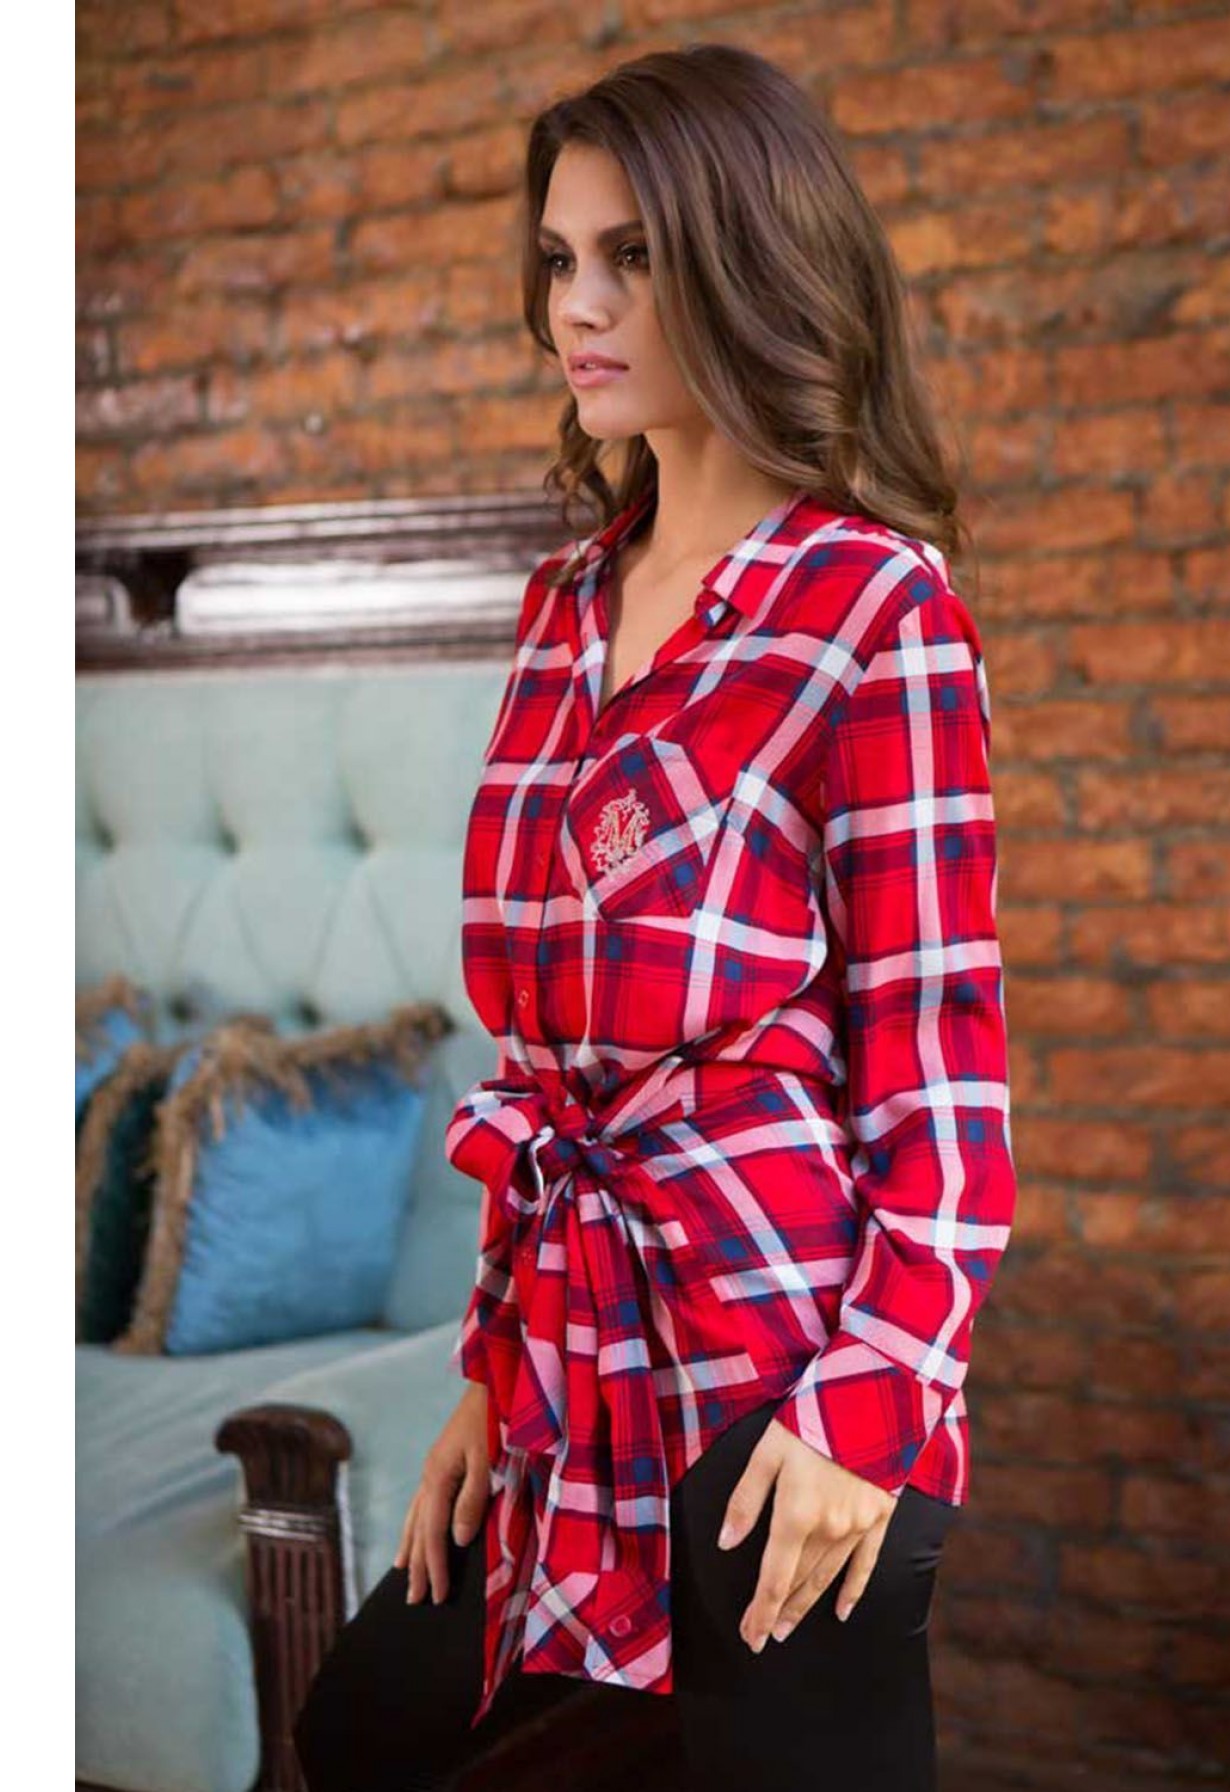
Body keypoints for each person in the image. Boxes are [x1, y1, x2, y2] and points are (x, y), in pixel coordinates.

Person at [294, 41, 1016, 1792]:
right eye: (559, 259)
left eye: (631, 257)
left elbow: (941, 1070)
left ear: (747, 261)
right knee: (365, 1726)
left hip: (786, 1360)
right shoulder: (561, 601)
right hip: (573, 1349)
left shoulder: (873, 606)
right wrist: (491, 1375)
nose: (578, 306)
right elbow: (540, 1059)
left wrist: (867, 1410)